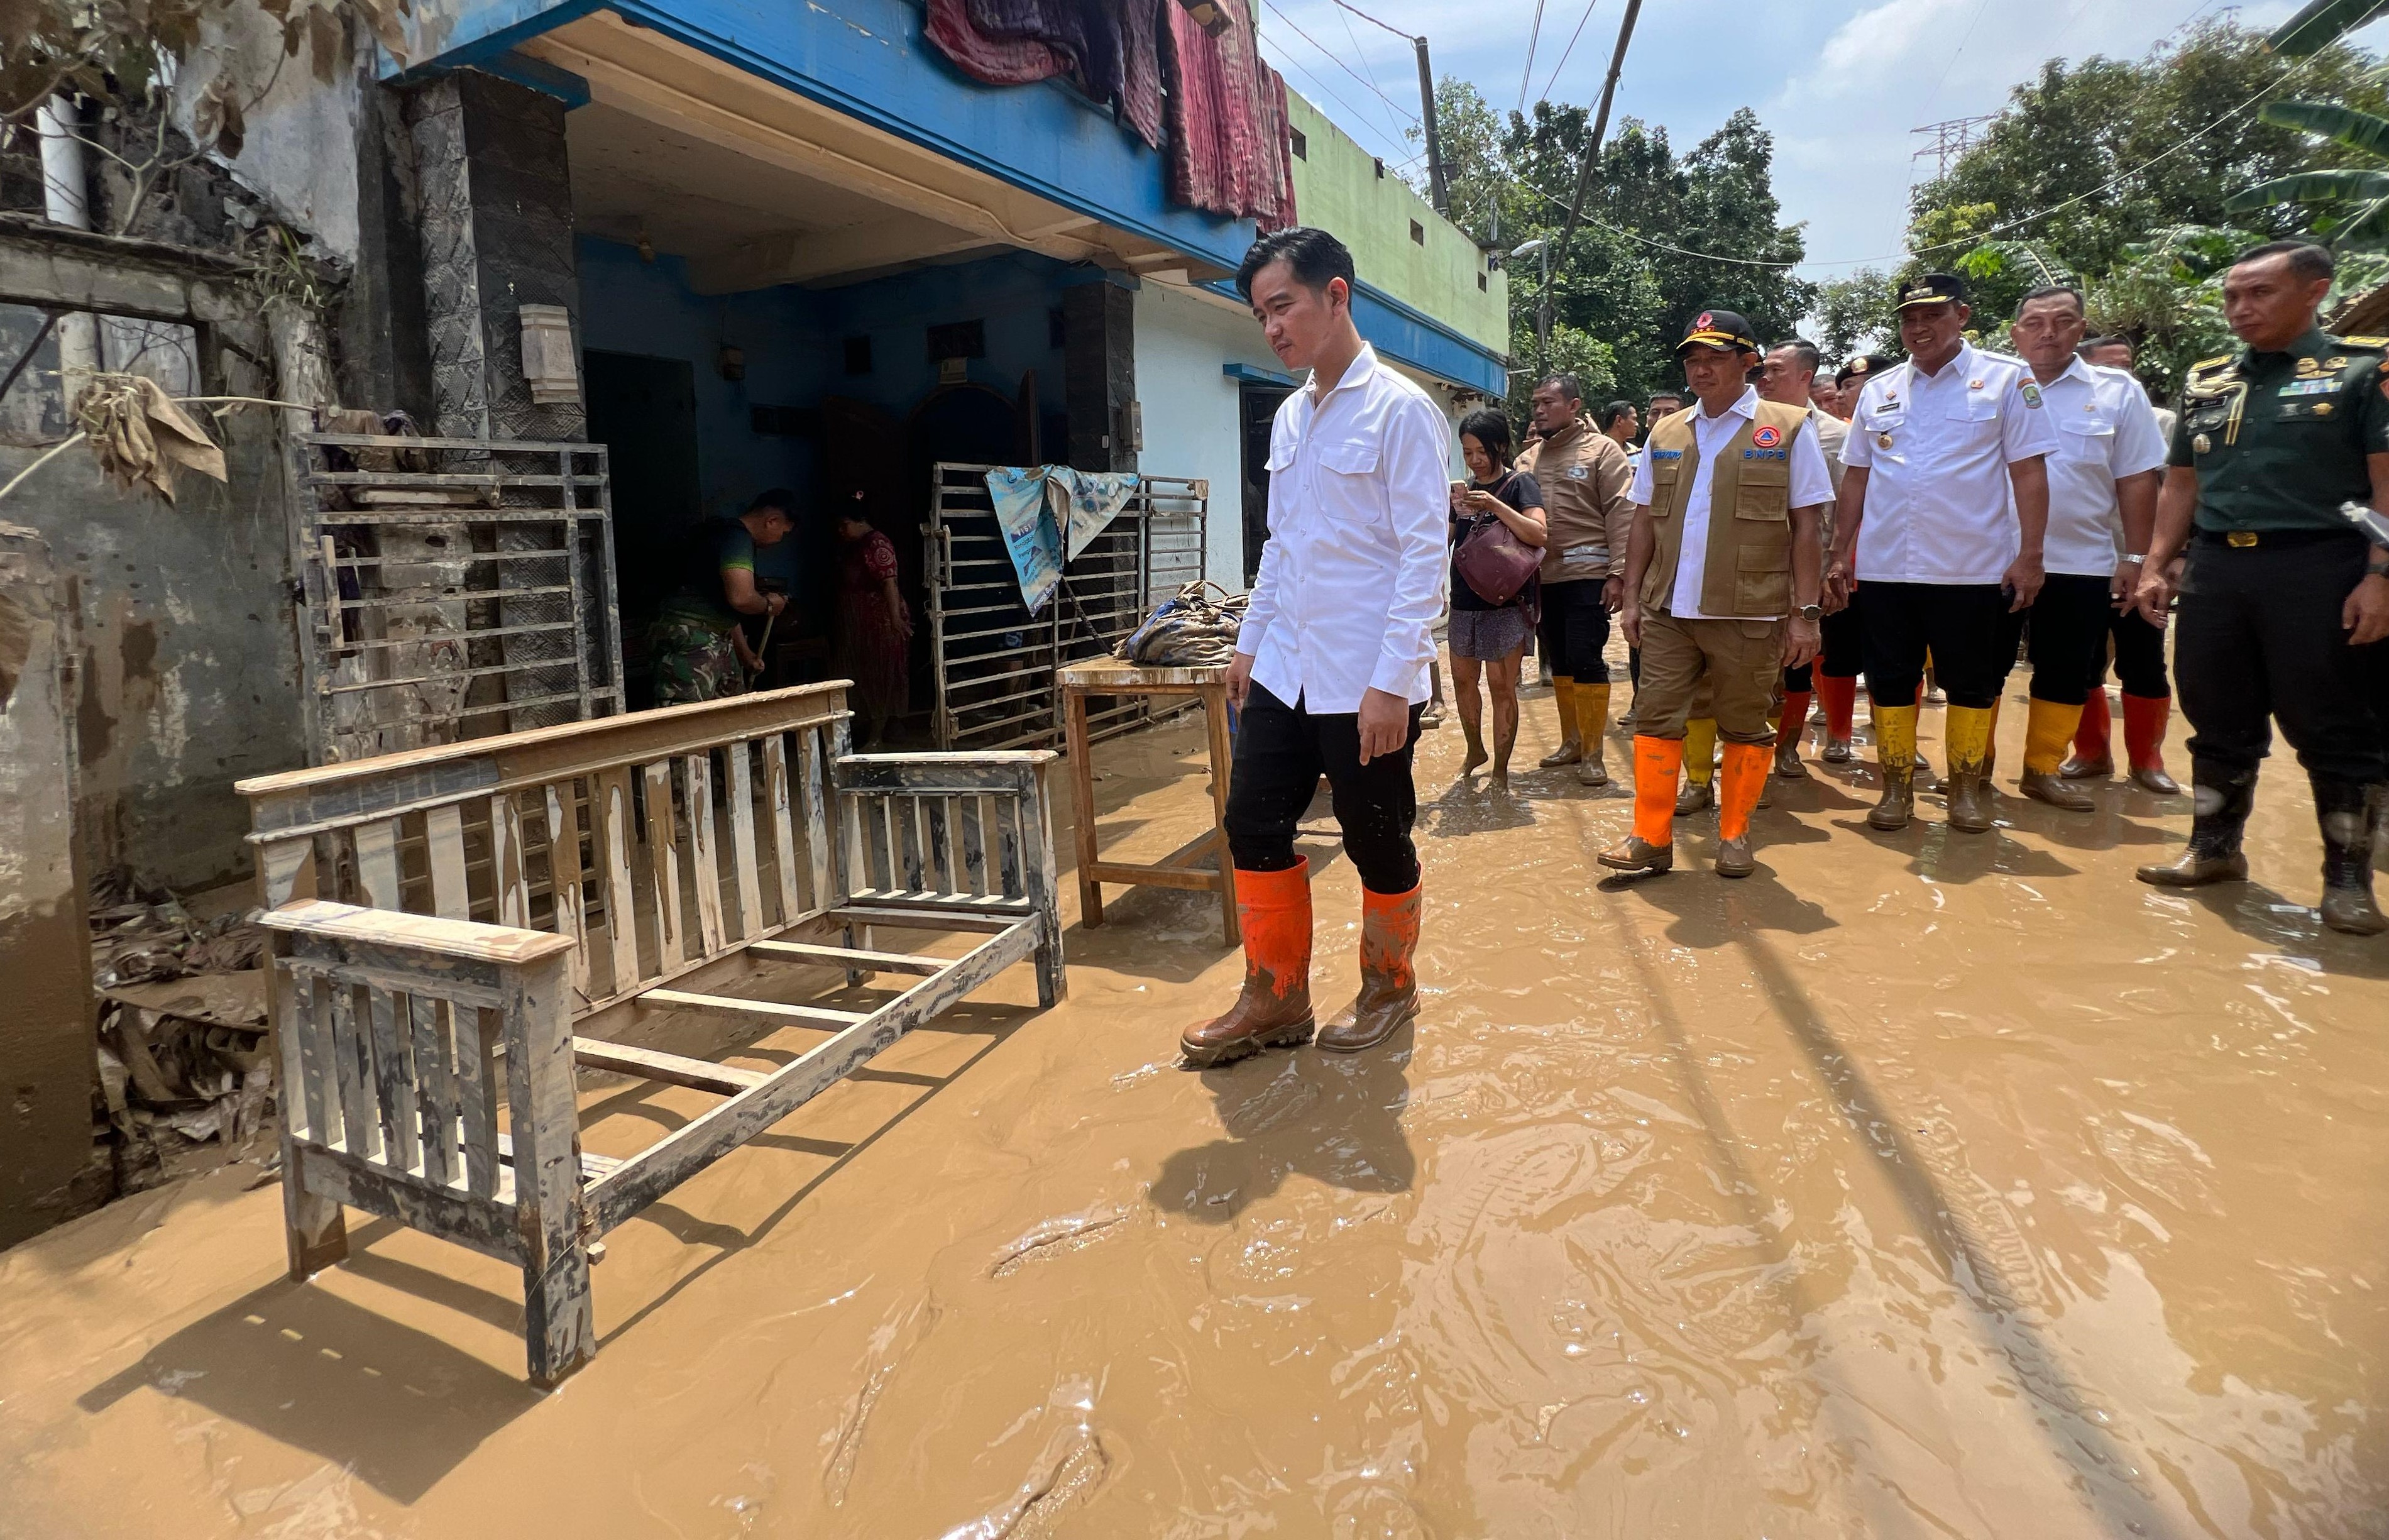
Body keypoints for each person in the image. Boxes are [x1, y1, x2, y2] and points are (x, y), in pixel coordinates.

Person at [1184, 227, 1446, 1067]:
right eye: (1260, 313)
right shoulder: (1291, 414)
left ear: (1336, 294)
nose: (1270, 326)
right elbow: (1283, 545)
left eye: (1282, 305)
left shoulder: (1401, 410)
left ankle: (1388, 985)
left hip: (1365, 675)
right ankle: (1275, 996)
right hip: (1286, 668)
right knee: (1251, 820)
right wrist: (1249, 642)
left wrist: (1392, 683)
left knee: (1375, 835)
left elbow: (1422, 555)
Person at [2130, 239, 2389, 935]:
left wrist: (2379, 576)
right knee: (2216, 713)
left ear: (2316, 292)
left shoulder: (2364, 373)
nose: (2241, 309)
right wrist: (2157, 562)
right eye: (2233, 297)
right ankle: (2213, 850)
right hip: (2220, 568)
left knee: (2335, 724)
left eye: (2261, 293)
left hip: (2322, 565)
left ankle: (2347, 881)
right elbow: (2181, 483)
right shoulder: (2209, 380)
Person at [1600, 309, 1831, 878]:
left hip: (1750, 611)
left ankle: (1734, 835)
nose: (1701, 369)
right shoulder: (1667, 430)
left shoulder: (1788, 427)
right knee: (1655, 719)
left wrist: (1805, 616)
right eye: (1692, 359)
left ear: (1748, 362)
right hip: (1667, 608)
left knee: (1745, 724)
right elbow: (1645, 521)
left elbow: (1807, 526)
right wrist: (1631, 598)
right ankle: (1650, 836)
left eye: (1715, 357)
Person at [1829, 272, 2057, 833]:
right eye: (1908, 318)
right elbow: (1856, 478)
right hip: (1886, 568)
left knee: (1973, 682)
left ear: (1962, 315)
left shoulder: (2006, 380)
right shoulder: (1880, 391)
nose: (1918, 327)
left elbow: (2028, 472)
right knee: (1888, 680)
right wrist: (1839, 553)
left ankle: (1963, 789)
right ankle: (1896, 789)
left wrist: (2030, 556)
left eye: (1932, 315)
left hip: (1972, 567)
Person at [1992, 287, 2170, 810]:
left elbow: (2137, 479)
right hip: (1988, 559)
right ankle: (1970, 771)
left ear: (2080, 329)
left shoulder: (2116, 391)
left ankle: (2041, 770)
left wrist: (2136, 559)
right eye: (2035, 322)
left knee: (2066, 668)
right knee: (1980, 667)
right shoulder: (1986, 386)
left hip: (2079, 560)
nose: (2047, 332)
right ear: (2015, 332)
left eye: (2062, 321)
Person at [1515, 377, 1634, 783]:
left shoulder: (1604, 452)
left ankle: (1594, 754)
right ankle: (1572, 742)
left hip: (1588, 576)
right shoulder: (1527, 461)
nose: (1540, 410)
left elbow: (1622, 513)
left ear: (1574, 405)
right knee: (1561, 662)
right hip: (1541, 579)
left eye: (1549, 402)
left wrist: (1618, 573)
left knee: (1586, 657)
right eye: (1536, 404)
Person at [1757, 338, 1850, 776]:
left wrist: (1836, 566)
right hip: (1757, 569)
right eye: (1763, 370)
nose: (1765, 377)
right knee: (1751, 665)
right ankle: (1747, 743)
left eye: (1776, 370)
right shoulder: (1748, 428)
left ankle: (1787, 746)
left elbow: (1845, 510)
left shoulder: (1837, 436)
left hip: (1811, 570)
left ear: (1804, 377)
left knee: (1798, 661)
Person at [1444, 409, 1547, 786]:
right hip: (1463, 602)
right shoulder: (1464, 492)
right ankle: (1475, 749)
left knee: (1503, 687)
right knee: (1462, 681)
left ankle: (1501, 772)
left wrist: (1493, 506)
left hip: (1506, 604)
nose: (1474, 460)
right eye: (1467, 452)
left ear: (1500, 446)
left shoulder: (1522, 485)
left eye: (1481, 451)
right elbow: (1446, 539)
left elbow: (1539, 534)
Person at [648, 490, 795, 706]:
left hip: (711, 637)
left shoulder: (719, 533)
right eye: (784, 533)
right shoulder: (737, 538)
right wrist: (770, 605)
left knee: (729, 719)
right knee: (689, 724)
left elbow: (725, 606)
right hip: (692, 641)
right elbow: (741, 597)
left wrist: (745, 655)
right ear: (772, 521)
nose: (779, 540)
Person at [832, 498, 913, 747]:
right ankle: (866, 729)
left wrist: (895, 619)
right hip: (859, 622)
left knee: (880, 675)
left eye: (845, 525)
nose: (841, 531)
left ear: (861, 522)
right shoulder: (856, 545)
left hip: (879, 621)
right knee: (860, 675)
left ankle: (876, 736)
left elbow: (889, 582)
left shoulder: (877, 543)